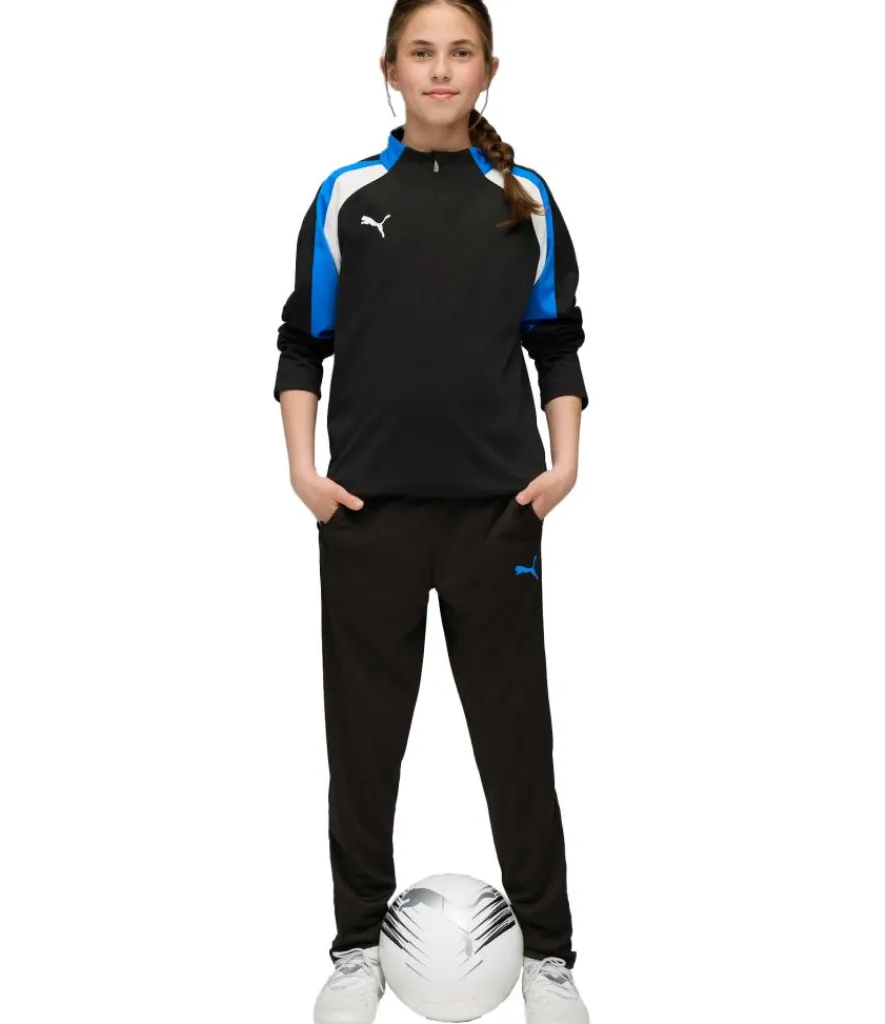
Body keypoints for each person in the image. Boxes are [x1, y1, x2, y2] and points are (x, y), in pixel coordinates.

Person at [273, 3, 591, 1022]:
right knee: (364, 743)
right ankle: (356, 948)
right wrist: (304, 472)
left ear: (487, 70)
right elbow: (300, 341)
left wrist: (563, 464)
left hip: (497, 513)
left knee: (516, 740)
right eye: (422, 53)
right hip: (367, 514)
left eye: (460, 53)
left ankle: (549, 956)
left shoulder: (524, 199)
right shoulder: (347, 195)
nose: (440, 70)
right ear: (391, 68)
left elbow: (557, 339)